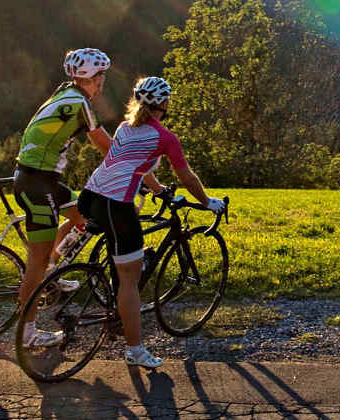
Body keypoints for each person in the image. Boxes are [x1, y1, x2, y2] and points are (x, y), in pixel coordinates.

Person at [78, 76, 225, 368]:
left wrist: (158, 191)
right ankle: (135, 351)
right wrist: (208, 202)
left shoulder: (124, 128)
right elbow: (186, 176)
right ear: (164, 104)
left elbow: (135, 164)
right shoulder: (165, 137)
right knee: (131, 282)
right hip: (115, 205)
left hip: (90, 197)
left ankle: (116, 307)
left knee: (124, 261)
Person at [15, 48, 113, 348]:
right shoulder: (79, 103)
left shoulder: (66, 94)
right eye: (101, 77)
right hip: (36, 184)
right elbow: (103, 144)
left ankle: (54, 274)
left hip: (45, 179)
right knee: (37, 261)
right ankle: (28, 333)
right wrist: (131, 169)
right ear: (92, 78)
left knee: (83, 216)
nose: (102, 83)